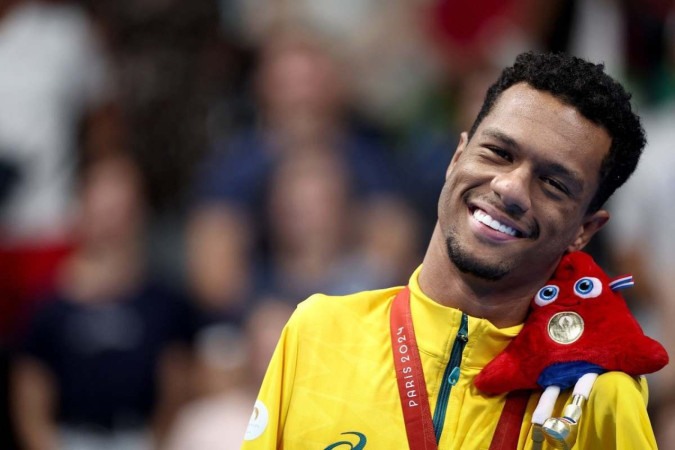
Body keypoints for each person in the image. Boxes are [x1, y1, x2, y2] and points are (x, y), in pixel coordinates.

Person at [240, 51, 661, 449]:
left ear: (584, 230)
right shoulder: (318, 333)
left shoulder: (596, 395)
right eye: (498, 153)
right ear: (457, 157)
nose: (510, 187)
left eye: (553, 184)